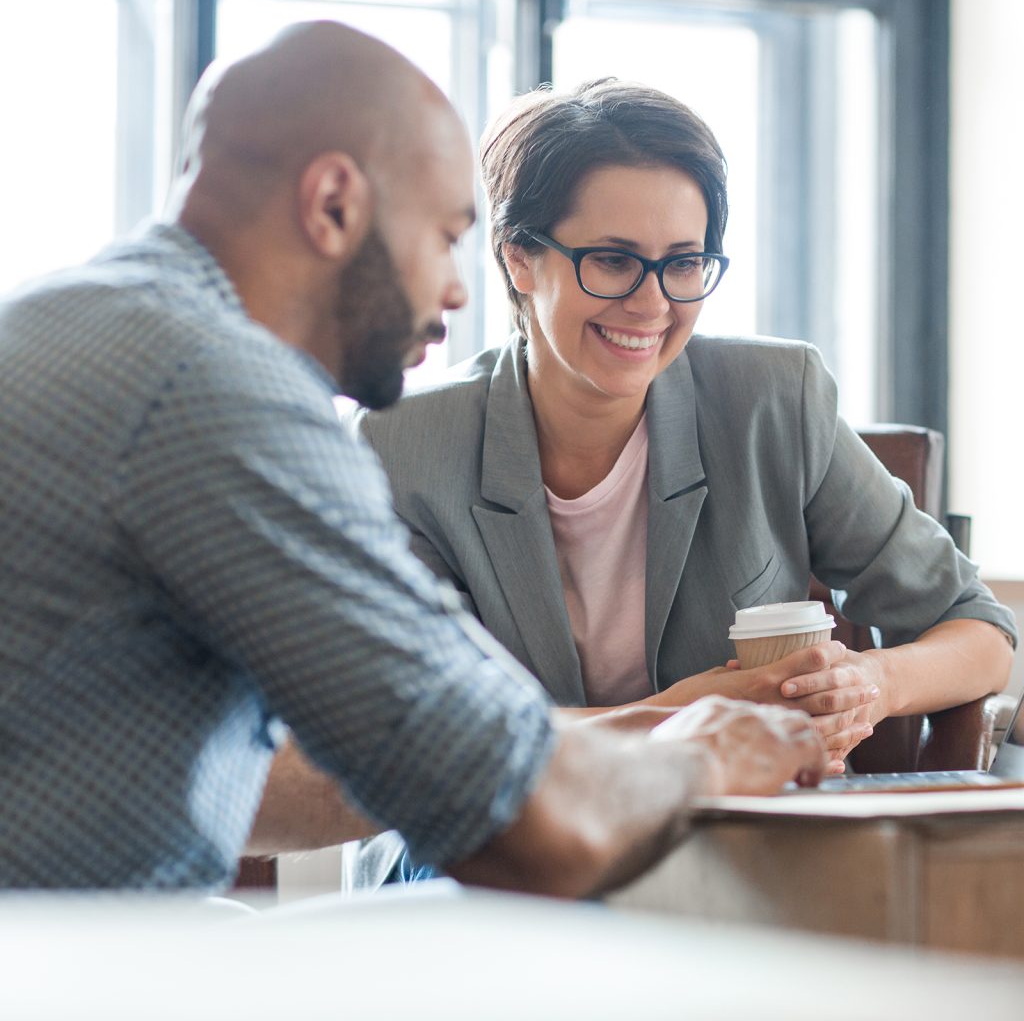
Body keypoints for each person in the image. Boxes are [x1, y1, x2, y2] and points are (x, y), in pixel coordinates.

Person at [0, 25, 828, 894]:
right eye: (443, 235)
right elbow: (527, 832)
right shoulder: (217, 390)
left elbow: (300, 783)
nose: (459, 289)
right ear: (333, 205)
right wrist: (700, 755)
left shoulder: (71, 319)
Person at [352, 78, 1017, 884]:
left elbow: (977, 628)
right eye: (613, 260)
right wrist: (687, 717)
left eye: (684, 264)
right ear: (519, 257)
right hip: (488, 842)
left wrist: (869, 683)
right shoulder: (404, 446)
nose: (652, 303)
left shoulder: (773, 400)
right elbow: (431, 740)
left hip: (731, 843)